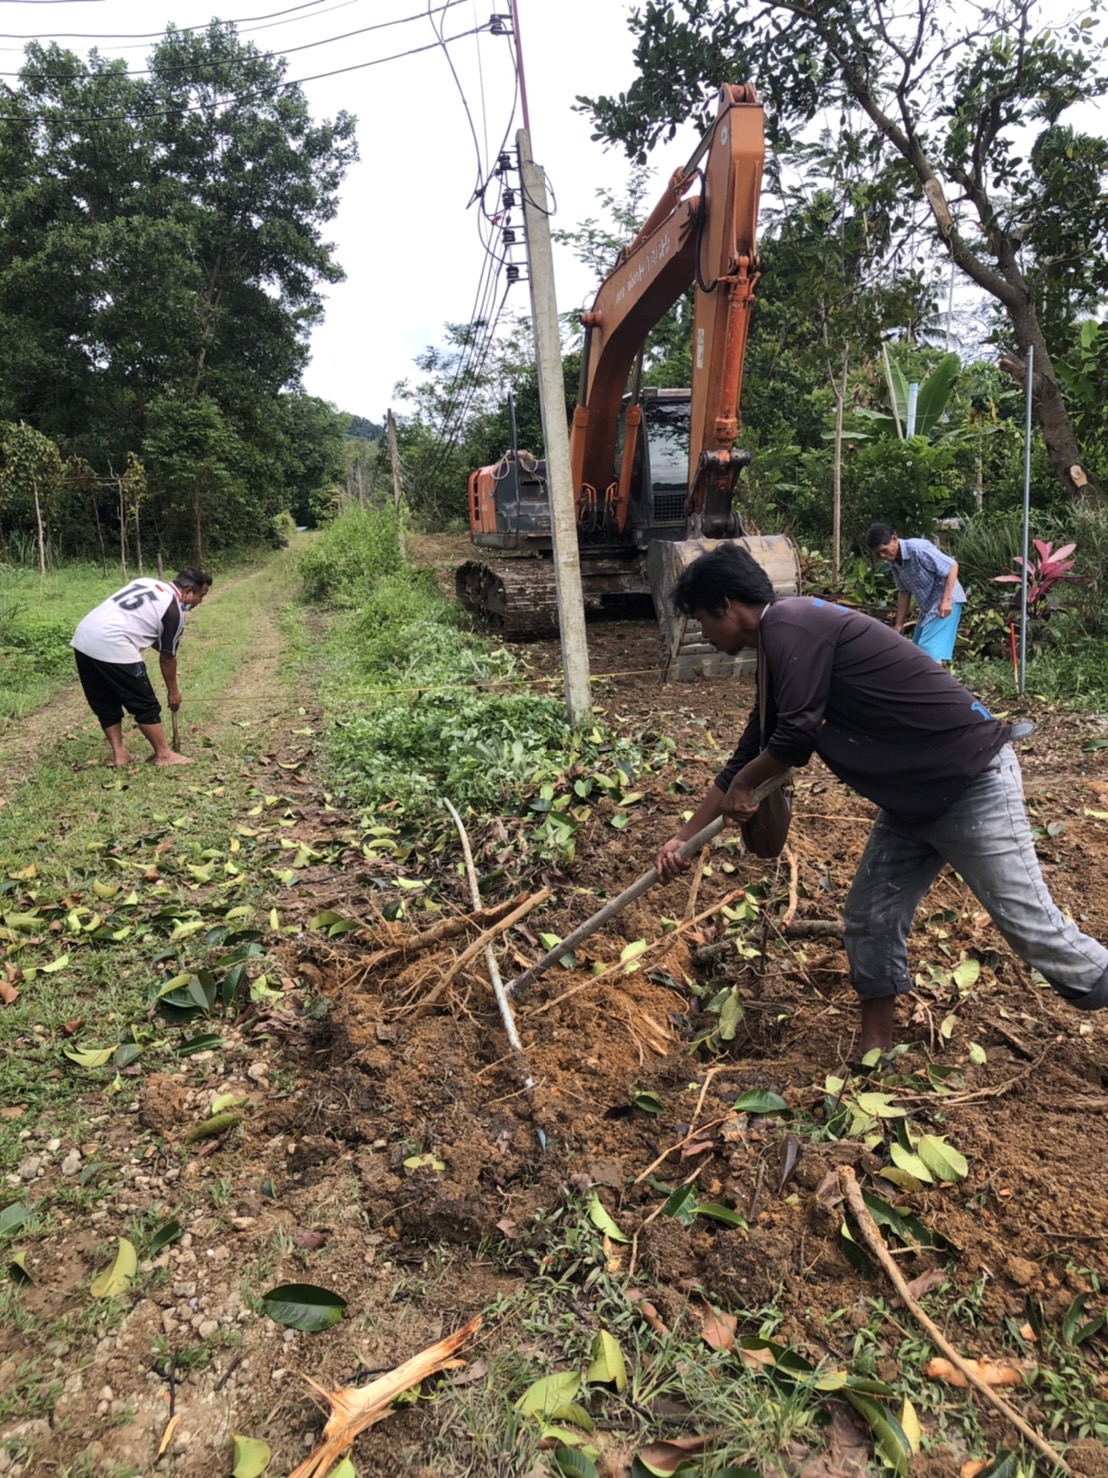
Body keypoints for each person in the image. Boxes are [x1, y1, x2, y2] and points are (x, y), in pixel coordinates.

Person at [654, 544, 1108, 1053]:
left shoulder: (792, 625)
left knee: (1035, 930)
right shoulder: (780, 649)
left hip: (968, 780)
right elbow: (749, 753)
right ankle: (875, 1052)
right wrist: (683, 838)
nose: (706, 638)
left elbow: (795, 738)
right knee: (869, 918)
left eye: (700, 621)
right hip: (911, 799)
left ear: (724, 605)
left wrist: (746, 784)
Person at [70, 568, 212, 768]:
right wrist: (173, 692)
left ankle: (120, 754)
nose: (200, 602)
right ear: (188, 591)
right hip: (113, 641)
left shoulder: (145, 582)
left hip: (84, 637)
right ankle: (164, 755)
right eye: (200, 596)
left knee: (104, 700)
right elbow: (167, 657)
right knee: (144, 703)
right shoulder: (174, 610)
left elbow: (143, 626)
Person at [864, 523, 964, 663]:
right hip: (928, 606)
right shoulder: (894, 562)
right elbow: (904, 592)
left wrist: (945, 601)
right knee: (915, 652)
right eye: (878, 554)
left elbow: (952, 566)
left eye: (884, 550)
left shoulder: (917, 549)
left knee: (928, 653)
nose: (882, 556)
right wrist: (899, 625)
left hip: (946, 600)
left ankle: (934, 684)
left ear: (894, 539)